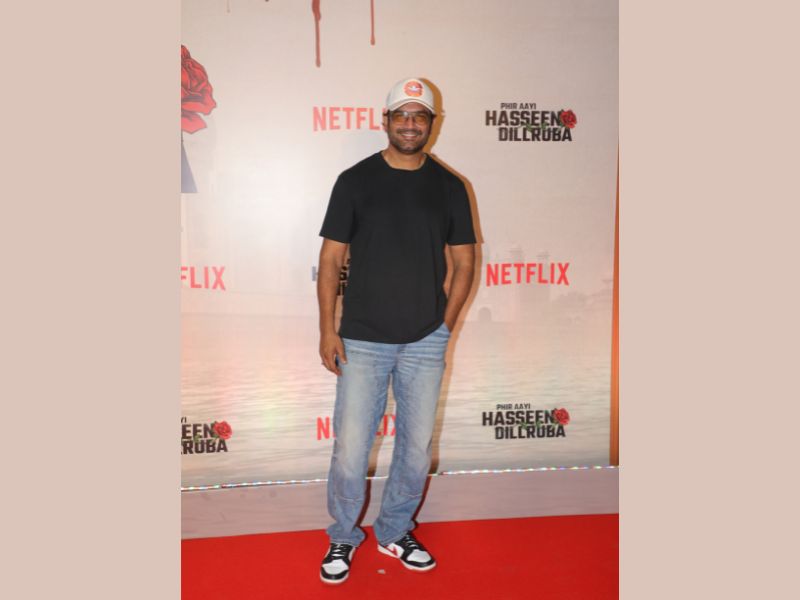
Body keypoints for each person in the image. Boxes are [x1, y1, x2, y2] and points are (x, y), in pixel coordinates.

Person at [316, 77, 476, 584]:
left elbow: (465, 263)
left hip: (425, 341)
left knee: (415, 448)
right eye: (402, 115)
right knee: (350, 448)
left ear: (432, 124)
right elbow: (330, 259)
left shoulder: (450, 186)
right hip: (361, 339)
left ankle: (395, 529)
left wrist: (444, 326)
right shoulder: (354, 181)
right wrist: (327, 329)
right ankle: (343, 535)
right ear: (384, 121)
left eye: (419, 116)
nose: (410, 124)